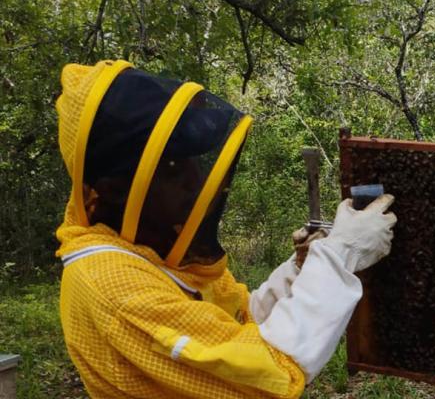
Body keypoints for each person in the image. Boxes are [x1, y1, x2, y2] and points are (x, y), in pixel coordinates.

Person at [54, 60, 396, 398]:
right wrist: (341, 253)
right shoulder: (113, 286)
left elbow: (240, 324)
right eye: (173, 168)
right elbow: (265, 373)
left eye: (193, 161)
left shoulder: (156, 251)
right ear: (115, 189)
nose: (197, 179)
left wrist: (301, 270)